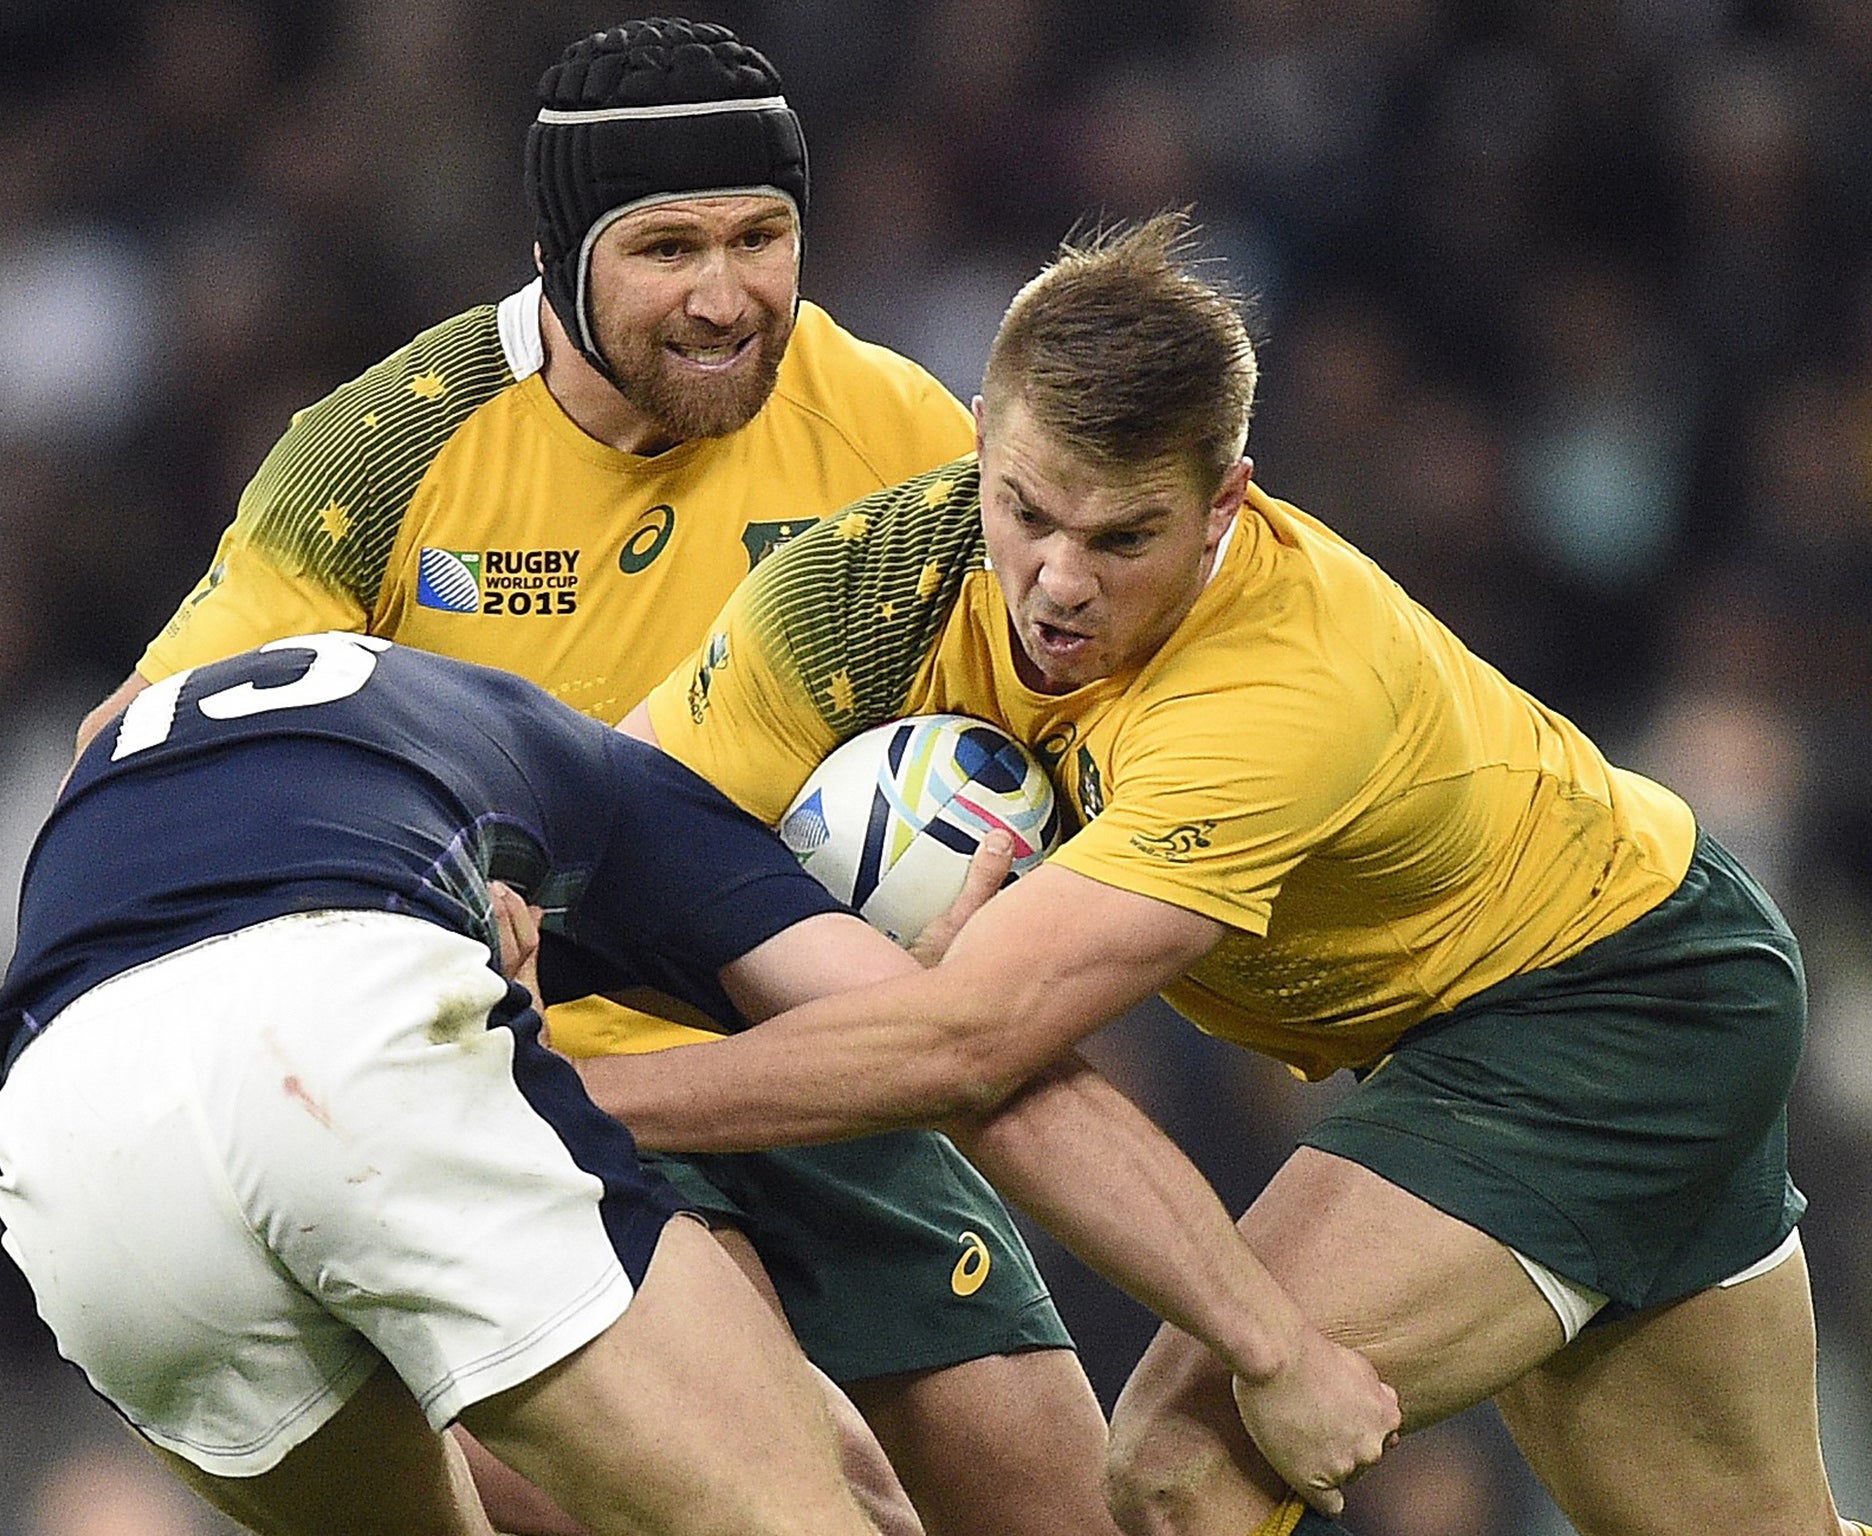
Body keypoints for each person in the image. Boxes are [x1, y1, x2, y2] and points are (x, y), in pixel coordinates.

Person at [576, 211, 1870, 1536]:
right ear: (979, 437)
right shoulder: (873, 583)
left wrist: (583, 1098)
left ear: (1225, 504)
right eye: (1024, 511)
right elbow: (615, 813)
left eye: (1124, 539)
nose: (1059, 585)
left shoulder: (1273, 694)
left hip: (1601, 1020)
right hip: (1590, 984)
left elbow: (966, 1049)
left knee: (1185, 1469)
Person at [69, 20, 1116, 1536]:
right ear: (560, 254)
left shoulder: (894, 426)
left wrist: (1023, 896)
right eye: (667, 246)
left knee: (1073, 1511)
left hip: (811, 1051)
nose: (726, 293)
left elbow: (1065, 704)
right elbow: (140, 745)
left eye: (764, 236)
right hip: (534, 1084)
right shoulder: (384, 450)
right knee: (834, 1505)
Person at [0, 634, 1394, 1536]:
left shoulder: (345, 728)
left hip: (67, 1141)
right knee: (827, 1506)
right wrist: (1267, 1343)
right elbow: (964, 1053)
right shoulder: (614, 784)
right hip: (346, 1022)